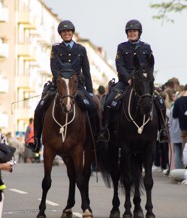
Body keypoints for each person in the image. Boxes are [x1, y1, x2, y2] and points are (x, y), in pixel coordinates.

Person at [26, 20, 100, 153]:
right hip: (59, 85)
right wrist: (59, 79)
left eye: (68, 31)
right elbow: (53, 67)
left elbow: (86, 71)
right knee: (40, 107)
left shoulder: (81, 49)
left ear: (72, 33)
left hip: (77, 87)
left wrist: (89, 91)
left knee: (92, 106)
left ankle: (96, 137)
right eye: (64, 32)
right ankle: (36, 139)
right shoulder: (56, 48)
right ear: (61, 34)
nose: (66, 33)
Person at [99, 19, 168, 142]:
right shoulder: (121, 47)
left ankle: (162, 130)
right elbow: (119, 65)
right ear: (127, 33)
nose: (132, 33)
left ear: (139, 33)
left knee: (160, 101)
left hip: (143, 82)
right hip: (126, 81)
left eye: (134, 31)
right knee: (109, 101)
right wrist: (129, 79)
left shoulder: (146, 47)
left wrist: (147, 78)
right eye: (130, 31)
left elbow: (150, 65)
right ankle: (105, 130)